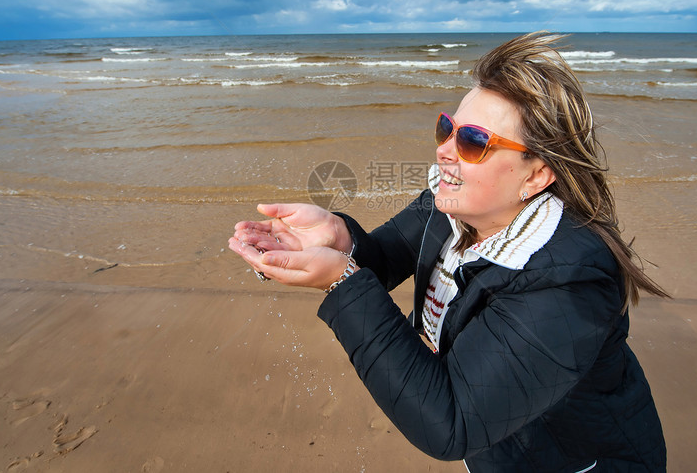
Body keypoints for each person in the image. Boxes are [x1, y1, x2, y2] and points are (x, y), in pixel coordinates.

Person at [229, 32, 669, 472]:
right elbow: (384, 257)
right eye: (447, 128)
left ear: (536, 176)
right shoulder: (450, 203)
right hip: (499, 445)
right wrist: (339, 238)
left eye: (473, 141)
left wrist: (341, 280)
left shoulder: (568, 280)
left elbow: (451, 421)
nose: (444, 150)